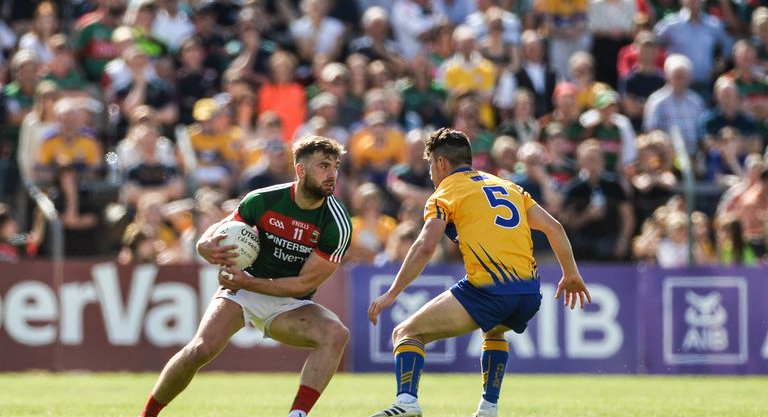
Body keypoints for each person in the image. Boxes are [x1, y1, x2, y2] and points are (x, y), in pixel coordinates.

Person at [367, 128, 591, 417]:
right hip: (529, 294)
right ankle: (488, 408)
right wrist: (570, 273)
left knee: (407, 332)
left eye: (431, 166)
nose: (432, 175)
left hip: (489, 291)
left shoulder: (446, 192)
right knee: (496, 330)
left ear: (441, 164)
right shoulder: (509, 186)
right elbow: (554, 228)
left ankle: (407, 403)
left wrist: (392, 294)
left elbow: (424, 246)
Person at [139, 136, 353, 417]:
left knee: (336, 334)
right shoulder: (263, 200)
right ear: (300, 170)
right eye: (323, 166)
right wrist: (204, 243)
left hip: (290, 301)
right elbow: (226, 227)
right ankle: (147, 415)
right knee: (201, 350)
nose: (331, 174)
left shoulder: (337, 223)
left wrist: (247, 281)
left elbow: (305, 283)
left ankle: (297, 415)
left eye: (335, 167)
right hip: (244, 291)